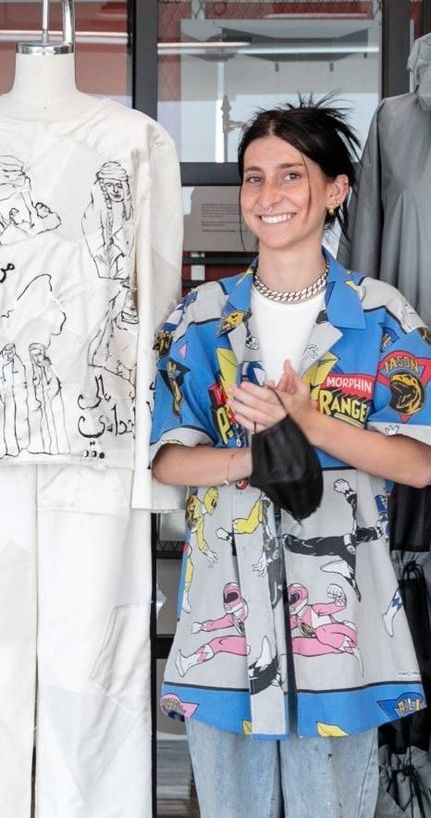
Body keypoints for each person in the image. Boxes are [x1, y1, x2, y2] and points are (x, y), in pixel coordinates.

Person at [151, 100, 431, 818]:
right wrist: (252, 458)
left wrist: (307, 422)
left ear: (335, 190)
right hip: (224, 621)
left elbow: (418, 464)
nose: (268, 195)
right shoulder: (200, 318)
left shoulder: (382, 317)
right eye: (254, 177)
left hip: (340, 624)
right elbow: (167, 463)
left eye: (290, 175)